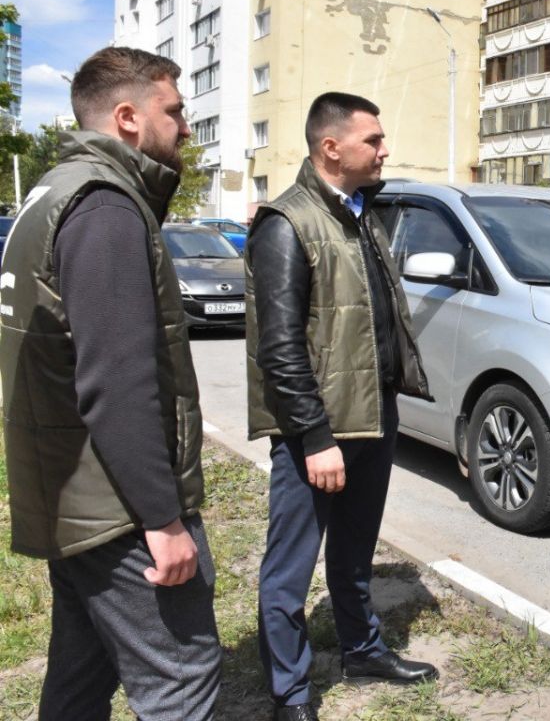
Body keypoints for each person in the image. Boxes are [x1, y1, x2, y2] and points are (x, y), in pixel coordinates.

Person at [0, 46, 221, 719]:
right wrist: (163, 519)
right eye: (176, 111)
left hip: (74, 495)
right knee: (181, 677)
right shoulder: (104, 208)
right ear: (128, 117)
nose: (187, 129)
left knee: (81, 672)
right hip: (118, 511)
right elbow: (116, 385)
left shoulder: (50, 194)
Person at [246, 92, 436, 721]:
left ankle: (362, 651)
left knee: (355, 550)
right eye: (373, 140)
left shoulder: (361, 213)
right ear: (332, 147)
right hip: (319, 430)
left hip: (372, 414)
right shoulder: (287, 221)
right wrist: (312, 435)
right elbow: (278, 347)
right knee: (289, 568)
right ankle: (291, 694)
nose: (385, 150)